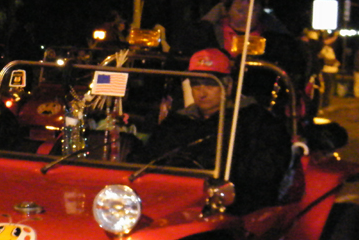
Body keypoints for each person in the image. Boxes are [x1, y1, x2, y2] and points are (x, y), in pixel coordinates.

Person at [143, 48, 292, 215]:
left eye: (210, 84)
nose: (202, 92)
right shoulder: (176, 123)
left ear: (228, 86)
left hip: (230, 210)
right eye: (196, 84)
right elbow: (150, 162)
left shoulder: (256, 122)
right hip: (173, 202)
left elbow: (264, 178)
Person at [319, 39, 340, 110]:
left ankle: (327, 103)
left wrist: (335, 62)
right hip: (326, 71)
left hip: (333, 71)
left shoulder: (330, 49)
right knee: (327, 88)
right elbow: (325, 60)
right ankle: (324, 104)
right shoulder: (322, 49)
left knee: (331, 88)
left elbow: (333, 59)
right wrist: (333, 62)